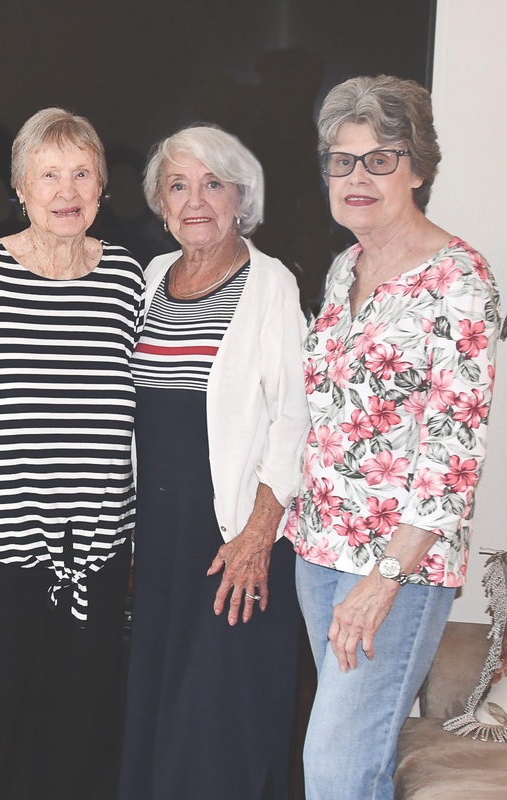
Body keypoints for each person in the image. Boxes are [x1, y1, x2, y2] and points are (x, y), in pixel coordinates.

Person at [0, 107, 143, 800]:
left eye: (81, 174)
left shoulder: (128, 280)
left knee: (84, 723)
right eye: (49, 174)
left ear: (102, 188)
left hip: (96, 546)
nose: (65, 190)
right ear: (20, 186)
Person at [286, 75, 501, 800]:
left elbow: (453, 455)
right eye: (341, 160)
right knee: (357, 760)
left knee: (337, 767)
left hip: (394, 569)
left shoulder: (460, 280)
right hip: (317, 551)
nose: (358, 177)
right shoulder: (345, 266)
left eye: (381, 157)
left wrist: (383, 582)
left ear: (419, 167)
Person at [117, 124, 309, 800]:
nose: (195, 200)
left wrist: (257, 536)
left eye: (212, 184)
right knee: (158, 704)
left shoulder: (271, 285)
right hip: (160, 537)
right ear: (160, 202)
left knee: (218, 714)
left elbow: (296, 415)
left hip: (231, 534)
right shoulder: (147, 280)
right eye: (178, 185)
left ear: (240, 197)